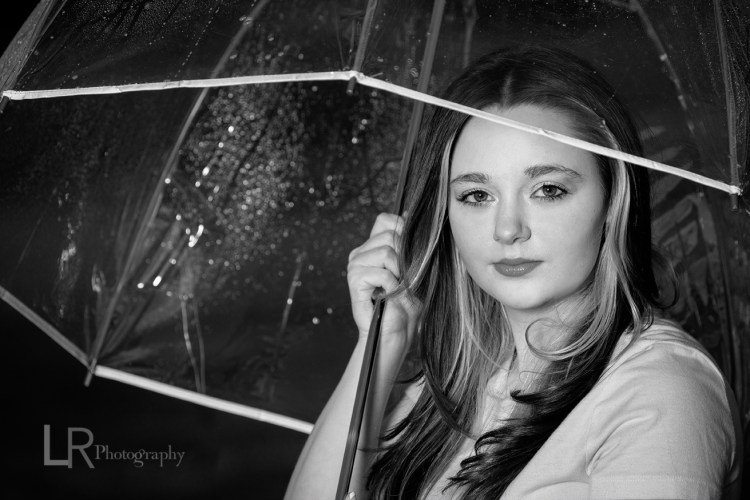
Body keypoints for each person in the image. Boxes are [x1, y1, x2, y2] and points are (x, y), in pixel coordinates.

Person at [284, 45, 743, 499]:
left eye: (548, 189)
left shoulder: (662, 389)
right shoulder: (455, 388)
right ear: (445, 215)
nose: (507, 230)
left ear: (612, 199)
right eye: (477, 196)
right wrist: (382, 340)